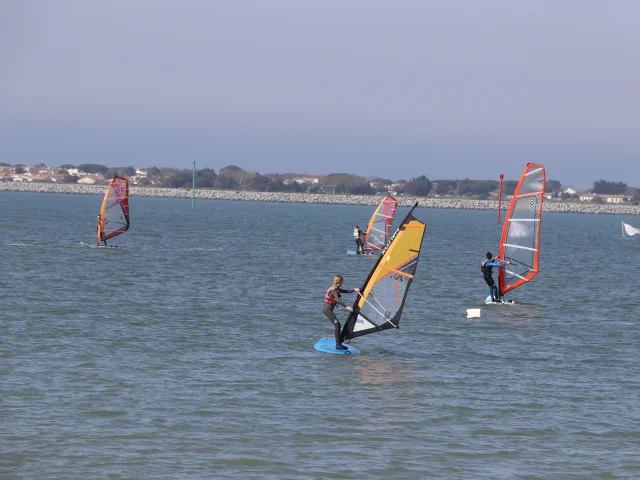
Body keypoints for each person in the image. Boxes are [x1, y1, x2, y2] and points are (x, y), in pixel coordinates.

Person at [323, 275, 360, 350]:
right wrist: (347, 307)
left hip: (328, 310)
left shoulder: (336, 289)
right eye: (342, 281)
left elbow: (346, 291)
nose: (343, 282)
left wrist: (354, 289)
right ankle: (338, 345)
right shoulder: (335, 290)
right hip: (327, 311)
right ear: (339, 282)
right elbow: (338, 300)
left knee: (338, 325)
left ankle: (339, 343)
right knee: (337, 325)